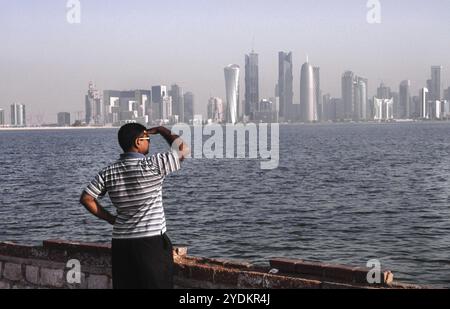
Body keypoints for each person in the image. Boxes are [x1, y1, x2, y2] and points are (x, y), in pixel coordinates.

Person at [79, 123, 190, 289]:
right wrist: (162, 130)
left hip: (121, 245)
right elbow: (183, 150)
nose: (149, 143)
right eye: (147, 139)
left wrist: (111, 219)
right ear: (138, 142)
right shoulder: (153, 164)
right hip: (151, 244)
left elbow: (87, 198)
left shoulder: (108, 172)